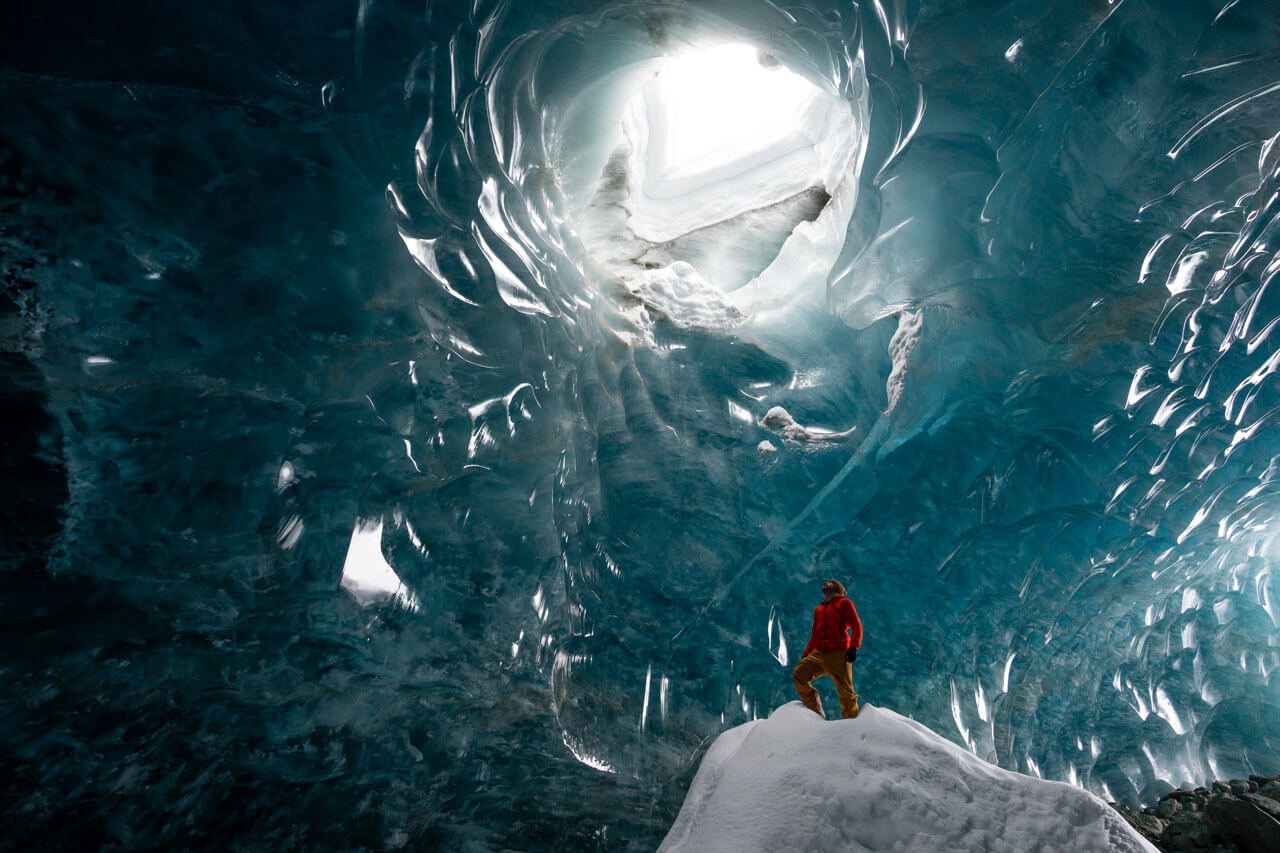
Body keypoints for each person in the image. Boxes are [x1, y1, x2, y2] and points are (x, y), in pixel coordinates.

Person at [792, 578, 862, 719]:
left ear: (837, 586)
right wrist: (806, 654)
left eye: (830, 581)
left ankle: (851, 724)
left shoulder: (844, 603)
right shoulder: (819, 609)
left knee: (846, 692)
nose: (825, 582)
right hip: (819, 653)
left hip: (838, 653)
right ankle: (815, 712)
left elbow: (856, 626)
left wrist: (853, 647)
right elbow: (815, 634)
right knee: (799, 675)